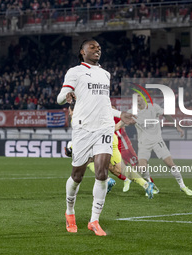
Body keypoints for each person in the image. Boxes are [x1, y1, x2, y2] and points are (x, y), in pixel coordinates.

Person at [57, 39, 136, 236]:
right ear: (82, 52)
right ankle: (70, 213)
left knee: (102, 174)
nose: (97, 49)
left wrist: (119, 114)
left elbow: (102, 105)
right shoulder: (74, 72)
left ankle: (94, 220)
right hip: (83, 130)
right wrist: (66, 95)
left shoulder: (105, 74)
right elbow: (60, 97)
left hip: (104, 128)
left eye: (99, 47)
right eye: (92, 47)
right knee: (77, 176)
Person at [129, 94, 192, 196]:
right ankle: (151, 185)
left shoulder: (154, 107)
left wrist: (177, 126)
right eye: (135, 98)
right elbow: (123, 121)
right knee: (142, 168)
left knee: (170, 164)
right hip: (143, 143)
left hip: (157, 141)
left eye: (139, 97)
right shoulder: (131, 112)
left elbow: (166, 115)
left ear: (144, 98)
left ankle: (182, 186)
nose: (137, 99)